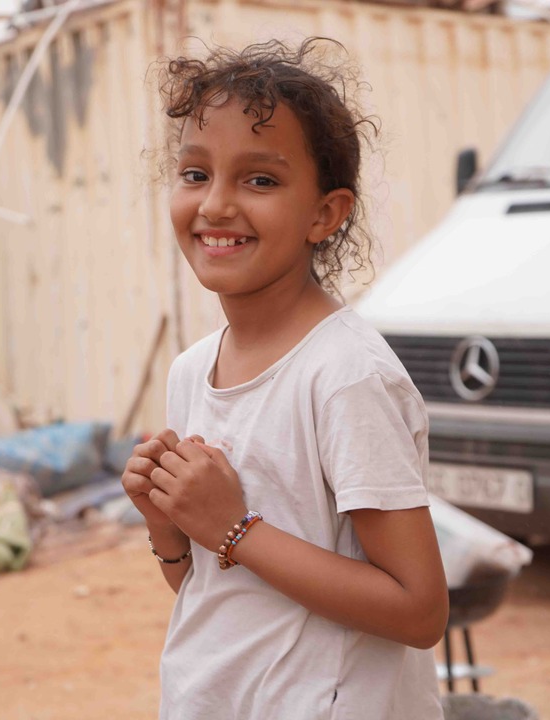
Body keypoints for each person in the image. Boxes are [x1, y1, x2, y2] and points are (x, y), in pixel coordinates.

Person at [121, 38, 449, 719]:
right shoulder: (192, 371)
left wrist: (233, 526)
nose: (216, 205)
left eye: (260, 181)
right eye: (195, 173)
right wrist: (170, 524)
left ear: (325, 214)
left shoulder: (345, 376)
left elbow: (419, 612)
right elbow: (212, 593)